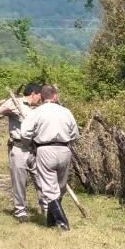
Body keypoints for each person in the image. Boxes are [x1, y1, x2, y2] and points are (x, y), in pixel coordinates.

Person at [20, 84, 79, 230]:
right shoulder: (66, 111)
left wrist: (30, 145)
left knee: (49, 189)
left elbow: (25, 133)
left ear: (42, 96)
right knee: (60, 187)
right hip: (64, 149)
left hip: (45, 149)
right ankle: (51, 222)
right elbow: (75, 134)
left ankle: (62, 222)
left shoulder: (37, 112)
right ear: (55, 95)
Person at [0, 82, 43, 221]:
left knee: (41, 180)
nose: (41, 98)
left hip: (36, 149)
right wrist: (3, 111)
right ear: (33, 94)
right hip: (19, 147)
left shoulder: (39, 108)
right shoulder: (15, 102)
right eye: (39, 96)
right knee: (19, 181)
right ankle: (20, 212)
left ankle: (47, 208)